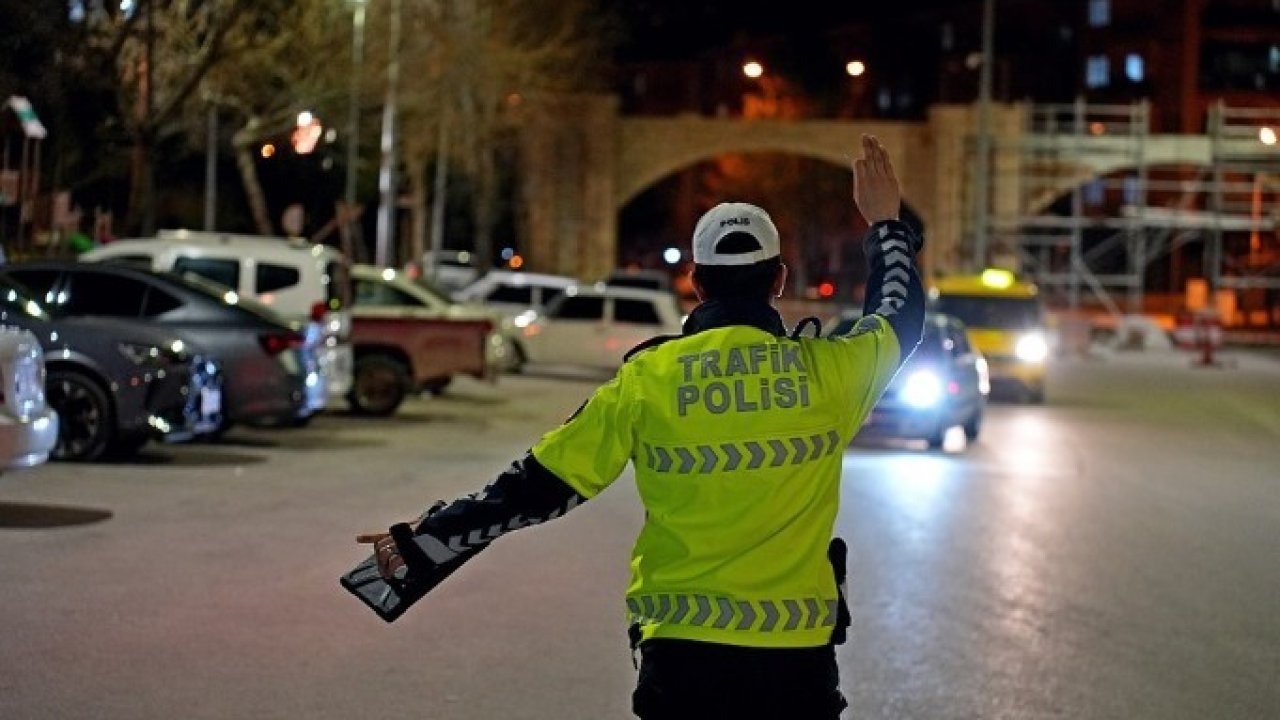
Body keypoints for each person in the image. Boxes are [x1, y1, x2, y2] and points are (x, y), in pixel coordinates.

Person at [352, 134, 925, 719]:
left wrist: (427, 537)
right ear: (778, 280)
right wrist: (885, 224)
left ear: (696, 282)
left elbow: (537, 486)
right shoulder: (827, 373)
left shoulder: (648, 379)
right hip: (794, 663)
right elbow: (898, 317)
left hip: (680, 658)